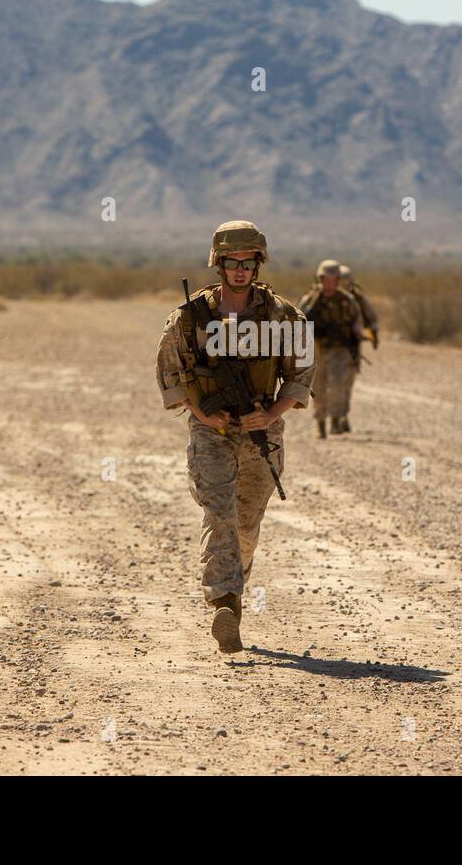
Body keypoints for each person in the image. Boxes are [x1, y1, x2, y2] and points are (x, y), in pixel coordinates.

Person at [155, 221, 315, 654]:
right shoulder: (190, 318)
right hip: (212, 433)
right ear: (219, 264)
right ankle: (225, 602)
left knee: (246, 523)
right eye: (232, 262)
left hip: (263, 432)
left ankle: (235, 585)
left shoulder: (283, 315)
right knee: (219, 512)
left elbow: (301, 374)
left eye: (248, 262)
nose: (240, 270)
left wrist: (271, 413)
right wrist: (201, 413)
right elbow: (169, 372)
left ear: (258, 264)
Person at [298, 259, 362, 438]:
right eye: (326, 279)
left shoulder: (346, 300)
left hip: (339, 349)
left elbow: (357, 322)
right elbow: (299, 322)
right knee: (318, 387)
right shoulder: (310, 300)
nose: (329, 283)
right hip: (317, 348)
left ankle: (335, 419)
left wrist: (357, 337)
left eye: (333, 279)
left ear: (338, 280)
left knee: (338, 384)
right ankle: (320, 422)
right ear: (320, 279)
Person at [339, 264, 379, 352]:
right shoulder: (323, 297)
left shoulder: (357, 298)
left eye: (345, 280)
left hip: (351, 338)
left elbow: (371, 317)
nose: (343, 283)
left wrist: (374, 335)